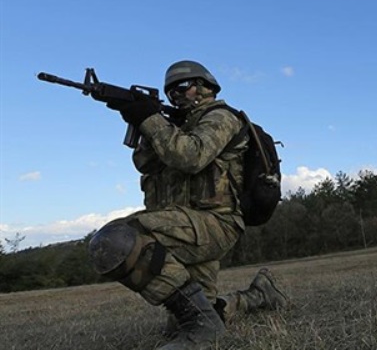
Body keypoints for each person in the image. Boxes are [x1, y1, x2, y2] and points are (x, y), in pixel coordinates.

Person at [87, 60, 286, 350]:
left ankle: (204, 329)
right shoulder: (177, 127)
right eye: (170, 92)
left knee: (116, 239)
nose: (176, 95)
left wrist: (150, 119)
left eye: (183, 86)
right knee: (180, 323)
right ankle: (259, 296)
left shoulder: (221, 117)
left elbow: (192, 156)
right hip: (186, 224)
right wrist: (142, 120)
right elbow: (145, 163)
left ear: (206, 86)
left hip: (215, 224)